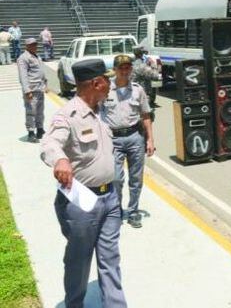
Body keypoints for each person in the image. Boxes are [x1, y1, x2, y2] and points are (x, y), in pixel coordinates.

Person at [40, 59, 127, 308]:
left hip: (110, 198)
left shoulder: (103, 110)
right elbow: (50, 144)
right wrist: (60, 160)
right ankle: (75, 304)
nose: (110, 84)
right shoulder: (68, 115)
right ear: (96, 83)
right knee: (79, 262)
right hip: (81, 203)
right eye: (107, 80)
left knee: (110, 259)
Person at [101, 54, 155, 229]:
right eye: (121, 68)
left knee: (136, 178)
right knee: (115, 178)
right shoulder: (105, 90)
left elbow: (146, 115)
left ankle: (133, 212)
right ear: (115, 70)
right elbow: (96, 114)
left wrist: (150, 140)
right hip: (113, 138)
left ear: (131, 69)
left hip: (134, 137)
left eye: (127, 68)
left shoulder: (138, 90)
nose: (125, 71)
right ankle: (116, 211)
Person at [17, 38, 47, 143]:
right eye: (31, 45)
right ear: (27, 46)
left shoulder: (37, 56)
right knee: (31, 111)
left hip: (40, 88)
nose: (34, 46)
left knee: (40, 111)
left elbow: (41, 72)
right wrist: (27, 91)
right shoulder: (23, 58)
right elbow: (23, 75)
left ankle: (40, 129)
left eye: (35, 44)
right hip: (31, 90)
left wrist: (45, 84)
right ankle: (30, 132)